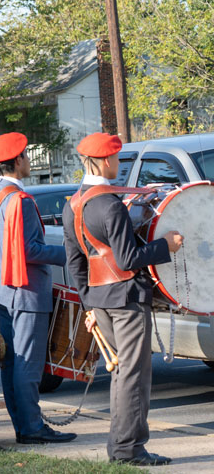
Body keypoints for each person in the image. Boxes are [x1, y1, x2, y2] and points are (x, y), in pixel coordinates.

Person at [63, 132, 182, 467]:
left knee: (121, 373)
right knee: (133, 374)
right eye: (115, 159)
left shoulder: (74, 203)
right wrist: (166, 246)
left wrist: (89, 303)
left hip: (100, 300)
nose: (118, 164)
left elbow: (75, 262)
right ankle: (129, 449)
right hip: (126, 299)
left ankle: (120, 447)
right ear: (103, 161)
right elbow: (128, 258)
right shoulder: (110, 204)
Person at [0, 133, 75, 444]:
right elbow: (30, 250)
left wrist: (0, 276)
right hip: (26, 291)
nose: (28, 161)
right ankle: (31, 428)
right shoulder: (21, 202)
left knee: (12, 361)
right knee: (28, 364)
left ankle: (23, 425)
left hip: (2, 289)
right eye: (26, 156)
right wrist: (69, 253)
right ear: (17, 162)